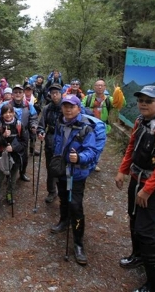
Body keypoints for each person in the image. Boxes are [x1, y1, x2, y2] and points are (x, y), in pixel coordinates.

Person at [115, 86, 155, 292]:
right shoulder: (140, 121)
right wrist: (122, 171)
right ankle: (138, 256)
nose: (143, 103)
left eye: (148, 101)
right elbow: (132, 146)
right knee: (133, 218)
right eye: (141, 99)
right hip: (136, 178)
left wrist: (148, 189)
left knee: (146, 230)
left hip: (154, 186)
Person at [50, 95, 100, 266]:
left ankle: (78, 243)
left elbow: (92, 151)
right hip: (62, 170)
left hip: (76, 173)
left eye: (71, 106)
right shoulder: (60, 122)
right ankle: (64, 221)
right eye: (65, 106)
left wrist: (78, 157)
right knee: (63, 198)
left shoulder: (86, 127)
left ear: (79, 108)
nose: (68, 109)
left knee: (76, 206)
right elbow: (57, 142)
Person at [0, 84, 38, 182]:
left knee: (24, 156)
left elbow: (34, 117)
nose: (18, 94)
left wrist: (33, 126)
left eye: (20, 92)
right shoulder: (5, 105)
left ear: (23, 94)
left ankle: (22, 173)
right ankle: (8, 173)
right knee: (8, 155)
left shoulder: (28, 105)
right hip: (8, 134)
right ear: (12, 94)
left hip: (23, 134)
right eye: (15, 92)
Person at [82, 78, 125, 172]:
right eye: (98, 85)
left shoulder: (109, 99)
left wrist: (118, 93)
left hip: (102, 127)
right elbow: (81, 107)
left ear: (105, 87)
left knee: (98, 147)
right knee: (87, 144)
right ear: (94, 87)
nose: (100, 87)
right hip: (88, 125)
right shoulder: (88, 98)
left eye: (102, 85)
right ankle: (85, 162)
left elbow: (121, 104)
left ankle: (93, 164)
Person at [0, 104, 28, 206]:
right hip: (2, 155)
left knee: (13, 177)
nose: (8, 115)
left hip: (15, 155)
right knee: (0, 177)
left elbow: (24, 143)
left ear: (13, 113)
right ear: (2, 114)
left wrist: (14, 148)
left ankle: (9, 194)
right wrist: (3, 136)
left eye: (10, 112)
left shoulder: (19, 125)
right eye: (5, 113)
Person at [37, 84, 63, 203]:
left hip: (63, 139)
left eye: (57, 93)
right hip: (50, 138)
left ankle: (64, 191)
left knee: (63, 167)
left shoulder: (66, 106)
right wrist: (41, 132)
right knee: (50, 167)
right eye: (52, 93)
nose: (55, 95)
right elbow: (41, 124)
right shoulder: (47, 108)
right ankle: (51, 191)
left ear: (61, 93)